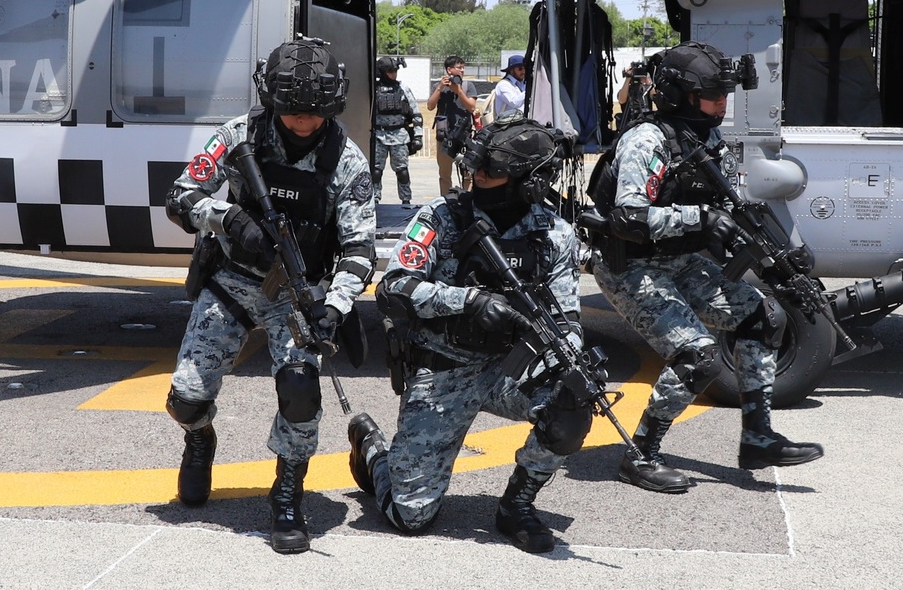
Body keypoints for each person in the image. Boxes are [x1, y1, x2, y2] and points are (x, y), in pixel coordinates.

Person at [164, 38, 376, 554]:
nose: (303, 120)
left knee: (301, 392)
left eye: (314, 111)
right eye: (292, 109)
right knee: (186, 399)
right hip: (234, 278)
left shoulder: (346, 161)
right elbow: (179, 196)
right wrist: (229, 218)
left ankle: (287, 495)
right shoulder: (240, 136)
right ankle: (200, 438)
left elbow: (360, 249)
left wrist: (335, 305)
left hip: (299, 295)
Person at [586, 41, 823, 494]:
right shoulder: (646, 140)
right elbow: (629, 217)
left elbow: (728, 203)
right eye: (713, 96)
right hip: (630, 267)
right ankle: (641, 456)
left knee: (762, 317)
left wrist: (782, 253)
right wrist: (700, 220)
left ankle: (758, 437)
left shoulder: (705, 136)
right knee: (699, 355)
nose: (722, 104)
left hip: (679, 260)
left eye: (725, 95)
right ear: (680, 94)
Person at [349, 117, 590, 554]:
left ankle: (517, 504)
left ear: (528, 181)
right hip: (443, 368)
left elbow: (568, 317)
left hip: (509, 368)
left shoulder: (554, 234)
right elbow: (394, 287)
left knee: (571, 405)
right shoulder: (441, 217)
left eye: (492, 172)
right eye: (476, 169)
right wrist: (468, 301)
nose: (479, 178)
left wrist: (571, 358)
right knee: (411, 518)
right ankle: (371, 449)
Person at [371, 56, 424, 205]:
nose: (394, 74)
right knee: (375, 172)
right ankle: (374, 199)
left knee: (402, 172)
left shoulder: (403, 89)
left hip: (399, 135)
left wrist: (418, 136)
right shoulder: (373, 89)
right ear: (381, 72)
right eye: (390, 71)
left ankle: (406, 200)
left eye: (395, 71)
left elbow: (416, 114)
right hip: (379, 135)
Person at [426, 56, 478, 194]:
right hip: (444, 136)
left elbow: (471, 108)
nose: (462, 70)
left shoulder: (468, 86)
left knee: (468, 175)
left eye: (463, 67)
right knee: (444, 175)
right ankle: (446, 202)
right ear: (449, 70)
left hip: (464, 136)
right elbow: (430, 106)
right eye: (459, 67)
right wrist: (440, 87)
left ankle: (467, 201)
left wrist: (459, 91)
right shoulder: (438, 86)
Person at [492, 54, 527, 118]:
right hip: (508, 125)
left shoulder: (522, 84)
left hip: (521, 122)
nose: (523, 71)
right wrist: (529, 90)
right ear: (511, 70)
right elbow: (514, 102)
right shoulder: (503, 85)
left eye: (525, 68)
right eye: (520, 68)